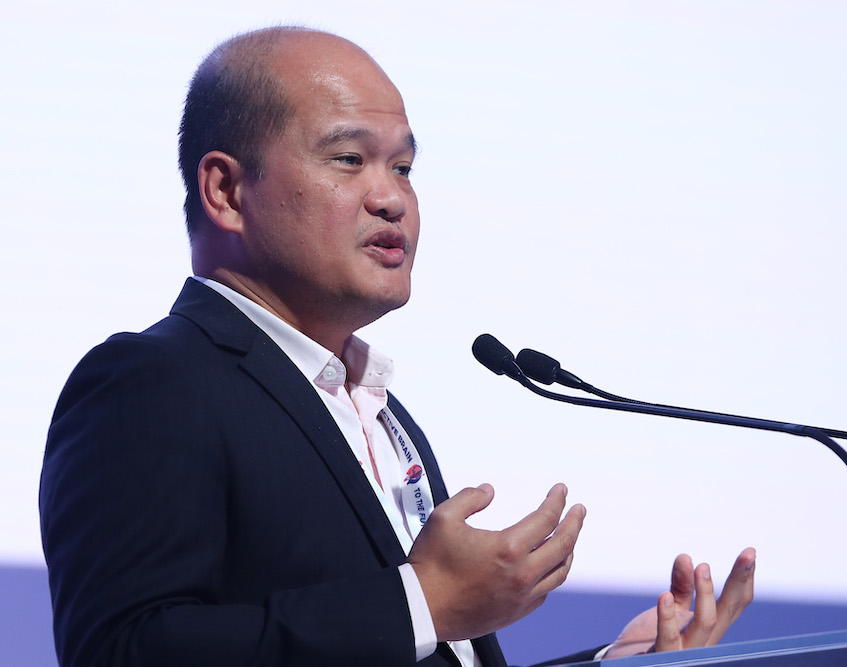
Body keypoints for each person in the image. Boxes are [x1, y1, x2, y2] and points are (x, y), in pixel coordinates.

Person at [39, 26, 755, 667]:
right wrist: (422, 603)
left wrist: (614, 664)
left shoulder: (375, 407)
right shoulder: (151, 382)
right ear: (226, 190)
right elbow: (121, 650)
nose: (393, 199)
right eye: (350, 159)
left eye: (404, 168)